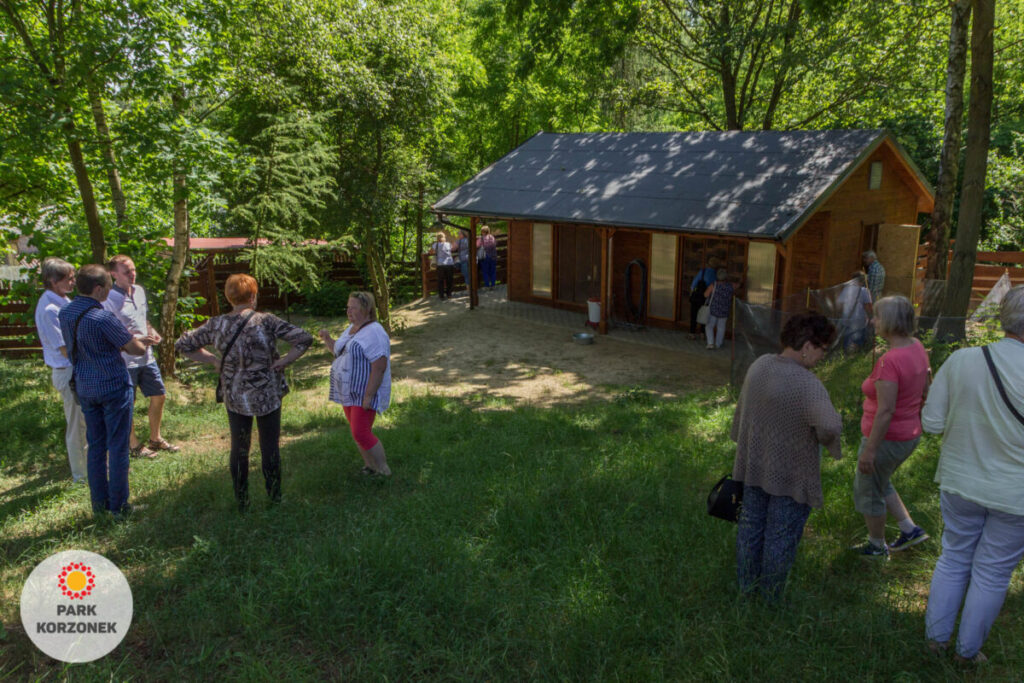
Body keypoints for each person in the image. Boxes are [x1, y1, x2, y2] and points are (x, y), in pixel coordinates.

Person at [922, 285, 1024, 664]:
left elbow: (931, 423)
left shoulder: (963, 360)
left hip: (960, 481)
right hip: (1015, 495)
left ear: (1003, 319)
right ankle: (967, 654)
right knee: (993, 572)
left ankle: (936, 642)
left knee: (953, 557)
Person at [175, 274, 313, 511]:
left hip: (235, 393)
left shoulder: (216, 324)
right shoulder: (266, 321)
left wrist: (213, 361)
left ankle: (242, 501)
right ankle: (275, 498)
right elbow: (304, 338)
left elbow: (183, 345)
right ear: (253, 296)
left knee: (239, 448)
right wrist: (285, 361)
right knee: (270, 445)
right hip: (266, 393)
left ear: (229, 298)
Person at [732, 313, 842, 601]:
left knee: (751, 528)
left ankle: (747, 590)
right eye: (822, 350)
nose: (822, 357)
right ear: (807, 345)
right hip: (791, 474)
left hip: (754, 465)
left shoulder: (759, 365)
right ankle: (770, 599)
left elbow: (743, 411)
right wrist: (830, 438)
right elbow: (829, 426)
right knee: (780, 537)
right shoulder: (807, 384)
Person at [58, 264, 153, 518]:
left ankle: (99, 506)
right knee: (118, 447)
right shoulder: (102, 317)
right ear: (98, 289)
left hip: (86, 387)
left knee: (96, 446)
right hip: (112, 386)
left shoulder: (66, 313)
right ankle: (119, 506)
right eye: (108, 287)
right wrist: (139, 342)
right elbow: (135, 349)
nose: (110, 292)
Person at [851, 295, 930, 557]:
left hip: (887, 440)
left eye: (877, 316)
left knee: (869, 490)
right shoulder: (916, 346)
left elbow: (886, 410)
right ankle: (910, 530)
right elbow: (926, 383)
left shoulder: (890, 361)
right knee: (880, 480)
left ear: (891, 322)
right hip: (909, 434)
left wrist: (870, 451)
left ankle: (876, 546)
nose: (872, 321)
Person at [103, 254, 178, 458]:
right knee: (128, 404)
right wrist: (134, 341)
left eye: (133, 270)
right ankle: (134, 445)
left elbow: (142, 320)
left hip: (147, 357)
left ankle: (155, 439)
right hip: (125, 360)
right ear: (113, 274)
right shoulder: (108, 299)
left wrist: (151, 332)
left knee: (159, 396)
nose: (132, 274)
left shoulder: (140, 291)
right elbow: (109, 330)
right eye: (126, 271)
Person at [320, 291, 392, 476]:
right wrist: (328, 339)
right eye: (348, 307)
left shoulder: (374, 332)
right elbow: (339, 351)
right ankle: (370, 467)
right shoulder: (351, 328)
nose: (348, 311)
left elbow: (379, 366)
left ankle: (383, 469)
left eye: (353, 307)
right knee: (356, 432)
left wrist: (369, 395)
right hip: (348, 392)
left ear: (367, 309)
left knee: (361, 432)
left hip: (363, 392)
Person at [34, 257, 87, 483]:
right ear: (52, 280)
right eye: (69, 278)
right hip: (68, 371)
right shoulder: (49, 308)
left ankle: (93, 466)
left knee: (87, 421)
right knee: (77, 425)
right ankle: (81, 475)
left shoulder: (63, 299)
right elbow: (65, 348)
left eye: (73, 277)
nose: (73, 282)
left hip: (77, 368)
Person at [837, 272, 873, 353]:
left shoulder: (846, 289)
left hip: (847, 320)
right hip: (859, 321)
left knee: (847, 342)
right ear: (863, 280)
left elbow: (839, 306)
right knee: (857, 343)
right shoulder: (864, 291)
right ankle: (854, 359)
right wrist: (872, 317)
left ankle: (847, 358)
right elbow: (868, 307)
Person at [704, 268, 734, 349]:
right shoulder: (730, 286)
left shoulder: (714, 285)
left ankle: (710, 343)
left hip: (713, 310)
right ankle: (718, 344)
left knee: (709, 326)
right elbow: (737, 287)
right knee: (721, 327)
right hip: (724, 310)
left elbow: (706, 295)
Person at [688, 258, 719, 337]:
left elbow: (693, 284)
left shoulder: (703, 271)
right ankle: (702, 333)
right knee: (704, 315)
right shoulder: (715, 275)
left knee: (694, 315)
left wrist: (693, 291)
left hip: (697, 296)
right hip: (707, 298)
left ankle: (692, 333)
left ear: (708, 264)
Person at [428, 232, 455, 301]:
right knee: (449, 279)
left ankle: (441, 296)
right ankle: (449, 294)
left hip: (440, 264)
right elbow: (452, 250)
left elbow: (430, 252)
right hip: (449, 263)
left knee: (440, 280)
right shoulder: (448, 244)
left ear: (437, 238)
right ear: (444, 237)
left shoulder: (435, 245)